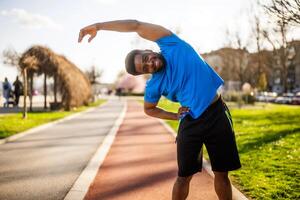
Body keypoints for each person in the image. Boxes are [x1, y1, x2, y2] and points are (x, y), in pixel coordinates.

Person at [79, 20, 241, 200]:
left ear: (148, 50)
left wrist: (99, 26)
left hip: (217, 114)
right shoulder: (154, 85)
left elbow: (135, 25)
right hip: (191, 123)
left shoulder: (171, 43)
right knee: (183, 178)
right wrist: (174, 115)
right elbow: (149, 109)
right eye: (145, 68)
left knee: (222, 174)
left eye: (145, 59)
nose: (150, 64)